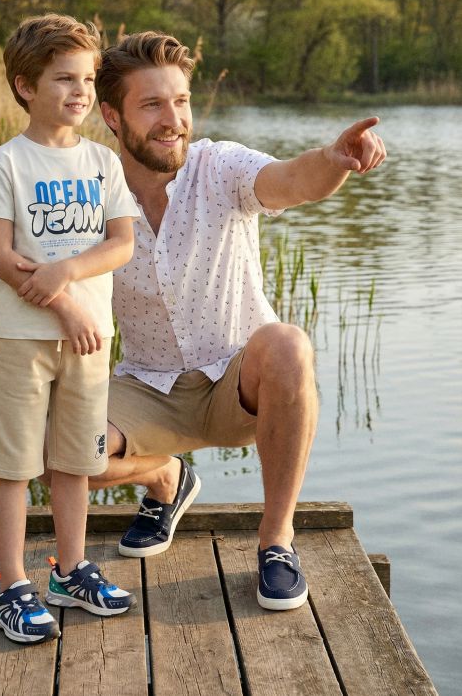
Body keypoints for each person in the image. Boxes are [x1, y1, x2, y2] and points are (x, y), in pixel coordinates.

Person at [81, 31, 386, 611]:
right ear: (112, 117)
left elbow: (293, 181)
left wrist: (334, 159)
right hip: (149, 388)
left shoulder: (218, 166)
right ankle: (166, 479)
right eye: (152, 105)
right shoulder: (91, 191)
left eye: (181, 101)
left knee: (288, 345)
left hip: (239, 386)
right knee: (60, 452)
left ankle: (276, 543)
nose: (173, 120)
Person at [0, 14, 140, 644]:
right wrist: (63, 303)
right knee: (13, 464)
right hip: (25, 338)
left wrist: (67, 271)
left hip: (90, 341)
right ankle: (9, 584)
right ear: (25, 85)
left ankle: (70, 572)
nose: (81, 91)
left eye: (88, 79)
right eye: (64, 78)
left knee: (75, 460)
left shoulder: (102, 161)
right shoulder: (7, 163)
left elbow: (120, 244)